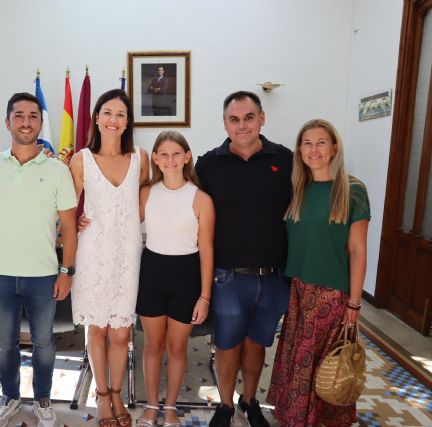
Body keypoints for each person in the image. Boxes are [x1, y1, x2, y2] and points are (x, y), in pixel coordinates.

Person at [0, 92, 77, 427]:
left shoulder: (58, 170)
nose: (26, 121)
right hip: (0, 274)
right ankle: (10, 396)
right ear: (8, 122)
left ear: (41, 122)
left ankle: (43, 400)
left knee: (45, 341)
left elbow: (71, 227)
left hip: (43, 274)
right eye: (19, 115)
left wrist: (67, 271)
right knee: (5, 342)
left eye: (33, 116)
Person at [195, 91, 293, 427]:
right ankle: (224, 405)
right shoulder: (208, 164)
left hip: (274, 277)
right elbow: (186, 204)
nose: (242, 125)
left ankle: (249, 401)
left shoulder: (287, 160)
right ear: (225, 123)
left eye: (249, 117)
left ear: (262, 118)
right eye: (234, 119)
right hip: (228, 277)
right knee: (227, 344)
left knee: (256, 344)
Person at [266, 119, 370, 427]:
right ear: (300, 150)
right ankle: (299, 418)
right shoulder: (299, 190)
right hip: (299, 289)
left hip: (331, 294)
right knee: (299, 362)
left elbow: (358, 250)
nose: (314, 149)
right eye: (307, 143)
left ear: (334, 148)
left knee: (318, 365)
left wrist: (354, 303)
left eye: (321, 142)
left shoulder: (352, 191)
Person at [69, 89, 149, 427]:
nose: (113, 119)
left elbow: (148, 202)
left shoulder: (141, 159)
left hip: (128, 255)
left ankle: (118, 392)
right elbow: (66, 209)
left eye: (120, 114)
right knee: (97, 330)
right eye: (107, 112)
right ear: (97, 118)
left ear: (127, 121)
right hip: (93, 254)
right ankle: (102, 396)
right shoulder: (80, 159)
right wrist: (73, 221)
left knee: (121, 333)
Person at [136, 131, 215, 427]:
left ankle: (170, 407)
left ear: (187, 156)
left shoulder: (201, 199)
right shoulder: (146, 193)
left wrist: (204, 297)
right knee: (153, 345)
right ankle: (152, 405)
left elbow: (207, 250)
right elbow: (121, 222)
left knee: (177, 347)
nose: (170, 160)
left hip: (187, 276)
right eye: (163, 154)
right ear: (155, 158)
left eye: (175, 154)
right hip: (152, 273)